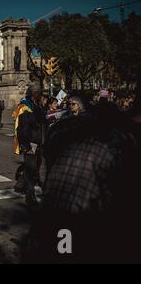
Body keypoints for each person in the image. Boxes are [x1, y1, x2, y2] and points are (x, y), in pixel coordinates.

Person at [25, 97, 141, 263]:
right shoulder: (118, 142)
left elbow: (45, 171)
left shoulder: (63, 130)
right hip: (83, 222)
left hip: (49, 218)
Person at [12, 83, 44, 206]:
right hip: (30, 143)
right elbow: (22, 129)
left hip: (39, 142)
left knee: (34, 168)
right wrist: (27, 146)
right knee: (32, 170)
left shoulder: (37, 106)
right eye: (39, 94)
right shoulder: (25, 107)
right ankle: (30, 197)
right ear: (34, 94)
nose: (41, 96)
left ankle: (20, 184)